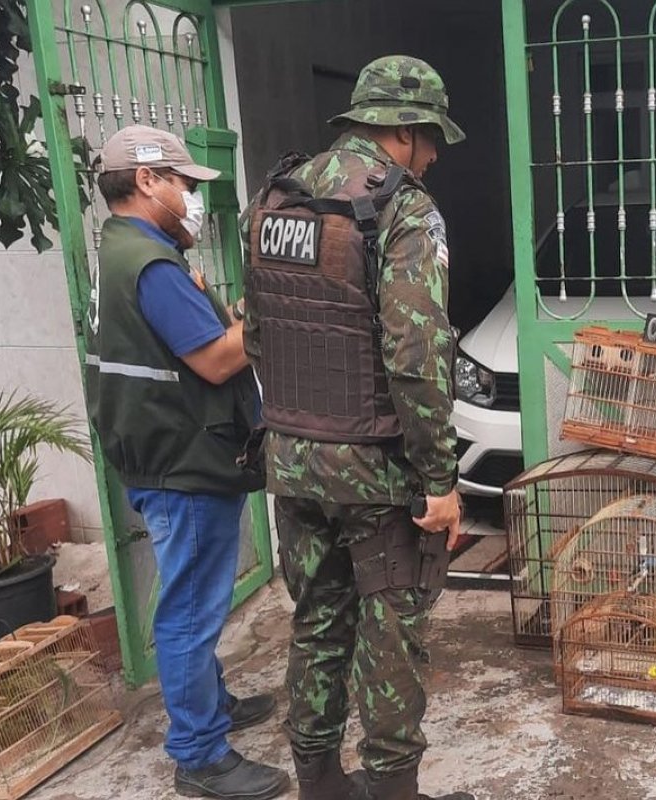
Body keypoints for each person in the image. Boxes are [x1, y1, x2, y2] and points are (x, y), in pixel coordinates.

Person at [242, 55, 472, 800]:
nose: (434, 155)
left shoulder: (272, 199)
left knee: (317, 622)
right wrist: (440, 481)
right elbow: (416, 354)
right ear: (402, 130)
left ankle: (318, 781)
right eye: (431, 137)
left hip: (290, 458)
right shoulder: (403, 209)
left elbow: (257, 337)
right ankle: (393, 790)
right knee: (392, 637)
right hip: (373, 469)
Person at [85, 125, 288, 800]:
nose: (192, 198)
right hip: (184, 462)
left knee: (196, 598)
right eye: (184, 183)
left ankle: (213, 703)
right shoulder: (150, 265)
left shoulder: (126, 253)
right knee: (189, 611)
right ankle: (200, 753)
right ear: (147, 181)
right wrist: (263, 309)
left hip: (166, 454)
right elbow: (218, 358)